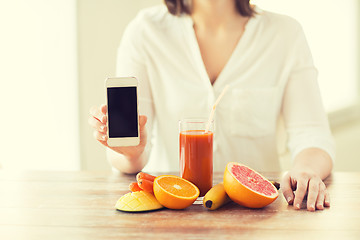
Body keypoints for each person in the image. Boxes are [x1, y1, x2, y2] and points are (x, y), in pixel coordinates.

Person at [88, 0, 335, 212]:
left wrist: (305, 170)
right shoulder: (145, 32)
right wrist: (130, 152)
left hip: (258, 215)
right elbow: (130, 158)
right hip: (170, 213)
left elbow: (312, 134)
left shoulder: (285, 34)